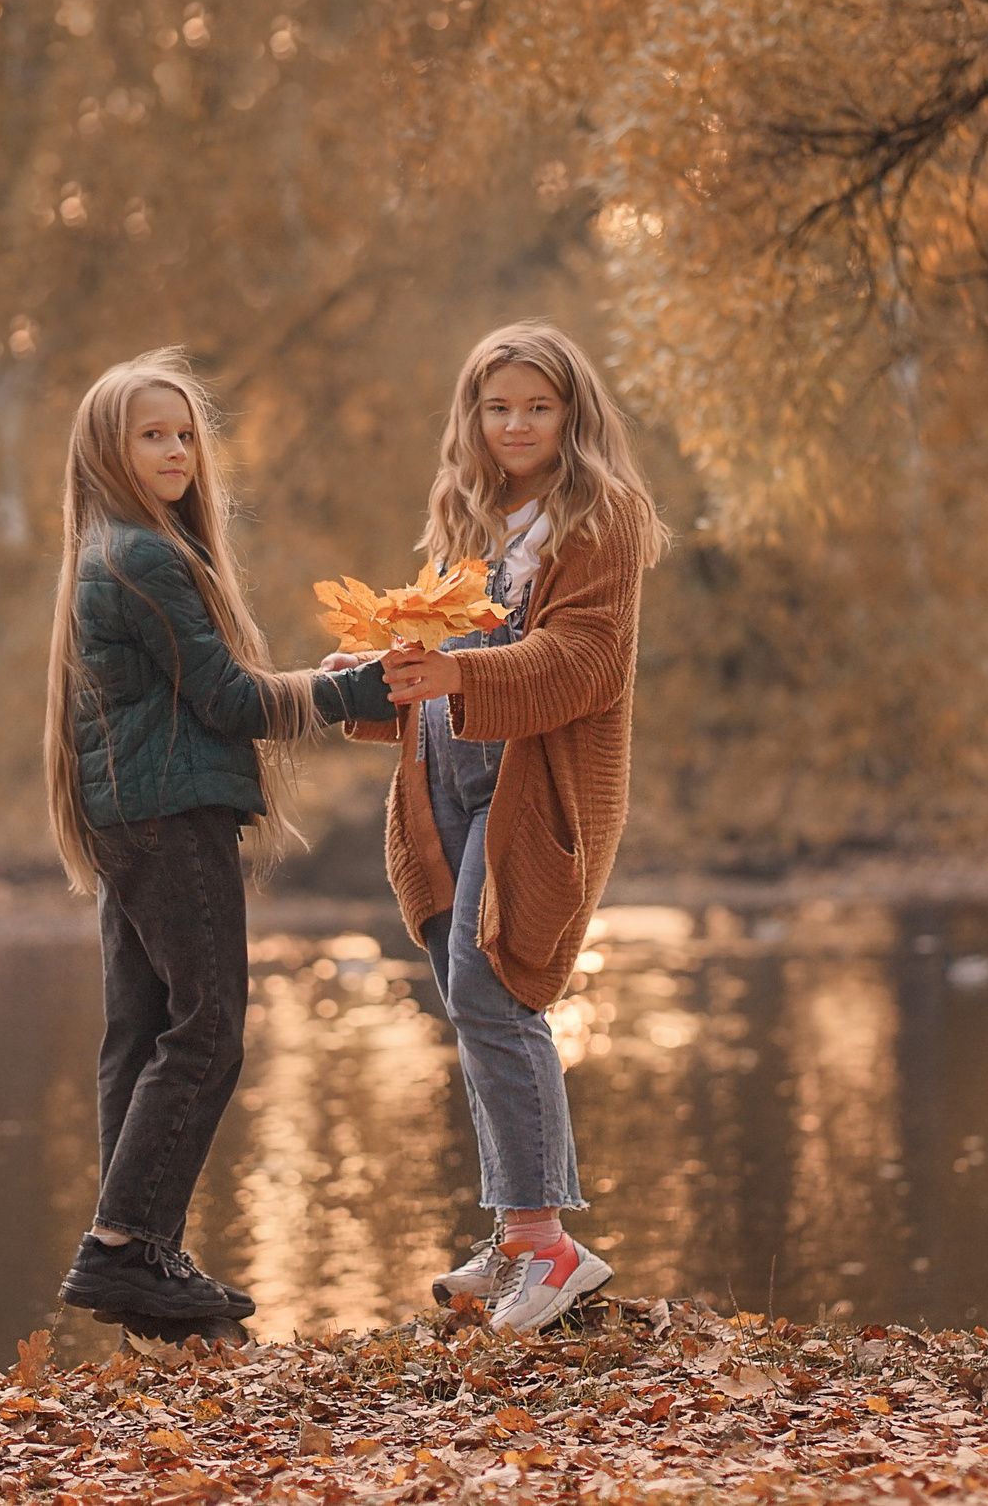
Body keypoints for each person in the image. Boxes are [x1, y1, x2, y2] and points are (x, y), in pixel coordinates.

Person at [42, 347, 395, 1327]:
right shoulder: (145, 558)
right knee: (207, 1035)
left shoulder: (107, 551)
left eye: (184, 433)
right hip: (171, 818)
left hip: (130, 818)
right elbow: (233, 701)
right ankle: (121, 1249)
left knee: (140, 1037)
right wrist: (353, 691)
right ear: (106, 453)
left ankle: (140, 1254)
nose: (174, 451)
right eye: (150, 435)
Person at [343, 320, 670, 1333]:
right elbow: (427, 652)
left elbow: (582, 661)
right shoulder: (468, 514)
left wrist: (460, 673)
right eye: (497, 408)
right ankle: (517, 1234)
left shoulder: (601, 518)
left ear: (571, 413)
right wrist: (367, 679)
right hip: (444, 765)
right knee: (463, 990)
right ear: (471, 418)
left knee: (499, 980)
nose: (516, 425)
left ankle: (549, 1242)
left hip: (533, 781)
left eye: (537, 407)